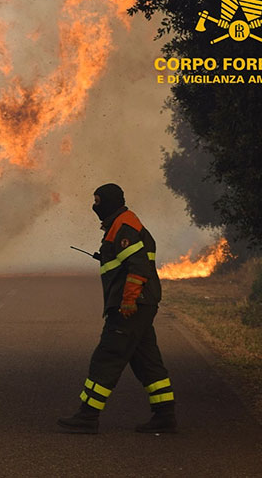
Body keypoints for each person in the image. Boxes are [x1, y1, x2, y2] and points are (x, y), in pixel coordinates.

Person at [57, 183, 177, 434]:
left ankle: (87, 416)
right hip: (140, 304)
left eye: (98, 201)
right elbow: (125, 261)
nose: (94, 206)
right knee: (147, 360)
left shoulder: (124, 226)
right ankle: (165, 414)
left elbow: (139, 267)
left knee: (107, 357)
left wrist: (128, 300)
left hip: (132, 306)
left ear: (110, 202)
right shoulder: (119, 225)